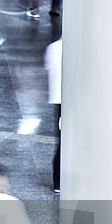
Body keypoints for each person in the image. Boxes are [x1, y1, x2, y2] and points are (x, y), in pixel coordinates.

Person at [45, 38, 62, 193]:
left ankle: (58, 181)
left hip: (58, 100)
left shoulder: (53, 47)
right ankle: (58, 180)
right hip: (66, 100)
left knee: (62, 140)